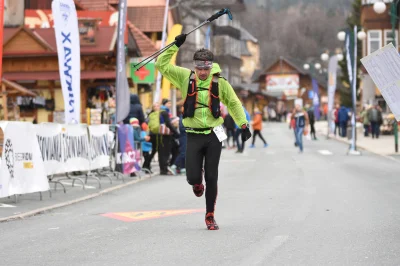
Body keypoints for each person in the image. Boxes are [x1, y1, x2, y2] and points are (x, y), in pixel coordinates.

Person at [155, 33, 252, 230]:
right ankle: (196, 181)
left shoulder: (220, 82)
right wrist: (175, 46)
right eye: (199, 68)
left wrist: (243, 124)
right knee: (193, 177)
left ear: (211, 67)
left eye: (206, 69)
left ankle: (210, 215)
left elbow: (233, 103)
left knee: (212, 176)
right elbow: (160, 66)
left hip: (213, 135)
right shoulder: (185, 77)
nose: (202, 73)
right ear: (194, 67)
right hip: (193, 135)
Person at [147, 103, 179, 175]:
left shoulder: (151, 115)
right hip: (165, 135)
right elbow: (168, 123)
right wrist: (175, 132)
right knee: (165, 152)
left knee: (160, 152)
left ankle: (162, 169)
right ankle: (164, 169)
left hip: (156, 134)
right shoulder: (164, 113)